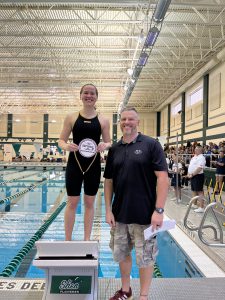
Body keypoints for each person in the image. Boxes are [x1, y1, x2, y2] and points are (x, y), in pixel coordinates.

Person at [104, 107, 169, 300]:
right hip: (120, 214)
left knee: (145, 258)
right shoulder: (114, 149)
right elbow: (108, 181)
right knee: (122, 254)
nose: (126, 122)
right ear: (119, 123)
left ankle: (144, 296)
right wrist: (108, 210)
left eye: (131, 119)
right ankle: (126, 291)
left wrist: (159, 210)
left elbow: (163, 178)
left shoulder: (151, 144)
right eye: (123, 119)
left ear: (137, 122)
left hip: (145, 215)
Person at [58, 83, 111, 241]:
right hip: (74, 164)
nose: (89, 96)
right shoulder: (71, 117)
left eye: (92, 93)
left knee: (89, 203)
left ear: (96, 97)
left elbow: (109, 142)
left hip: (93, 166)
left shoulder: (103, 119)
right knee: (72, 202)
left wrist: (104, 145)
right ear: (81, 95)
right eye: (86, 93)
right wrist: (66, 146)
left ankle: (86, 239)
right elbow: (61, 140)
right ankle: (68, 240)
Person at [187, 146, 206, 213]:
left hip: (198, 176)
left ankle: (201, 207)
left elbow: (199, 168)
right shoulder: (194, 157)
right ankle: (194, 204)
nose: (195, 150)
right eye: (195, 149)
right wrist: (189, 173)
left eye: (196, 149)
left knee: (199, 191)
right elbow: (191, 166)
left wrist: (192, 174)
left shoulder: (201, 157)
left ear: (200, 150)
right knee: (194, 190)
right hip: (193, 175)